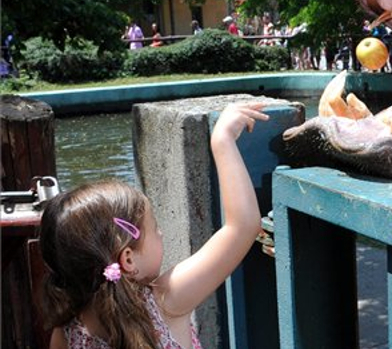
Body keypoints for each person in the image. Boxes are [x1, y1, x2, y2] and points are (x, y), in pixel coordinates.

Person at [40, 102, 270, 349]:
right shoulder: (165, 301)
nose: (160, 233)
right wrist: (222, 141)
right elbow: (242, 226)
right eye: (154, 228)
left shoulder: (66, 334)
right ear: (128, 259)